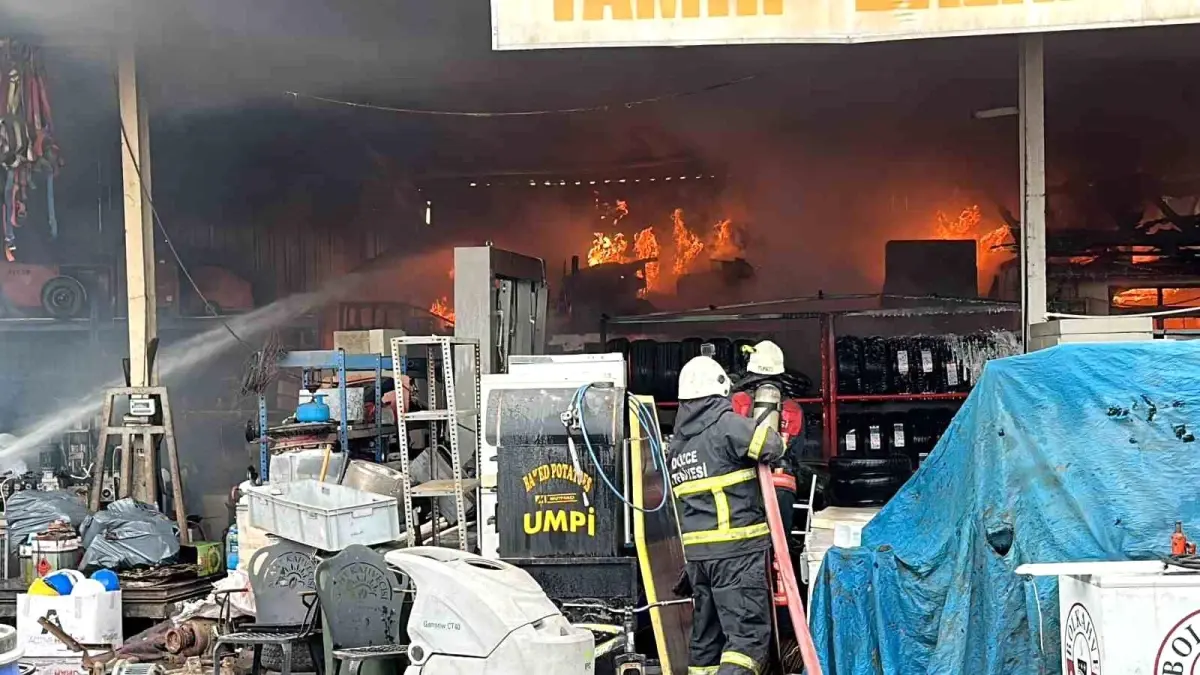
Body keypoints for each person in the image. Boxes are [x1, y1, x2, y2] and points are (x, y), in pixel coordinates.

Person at [668, 355, 786, 675]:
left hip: (698, 560)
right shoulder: (727, 425)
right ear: (721, 390)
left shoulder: (677, 446)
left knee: (707, 642)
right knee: (746, 642)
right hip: (737, 553)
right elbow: (771, 446)